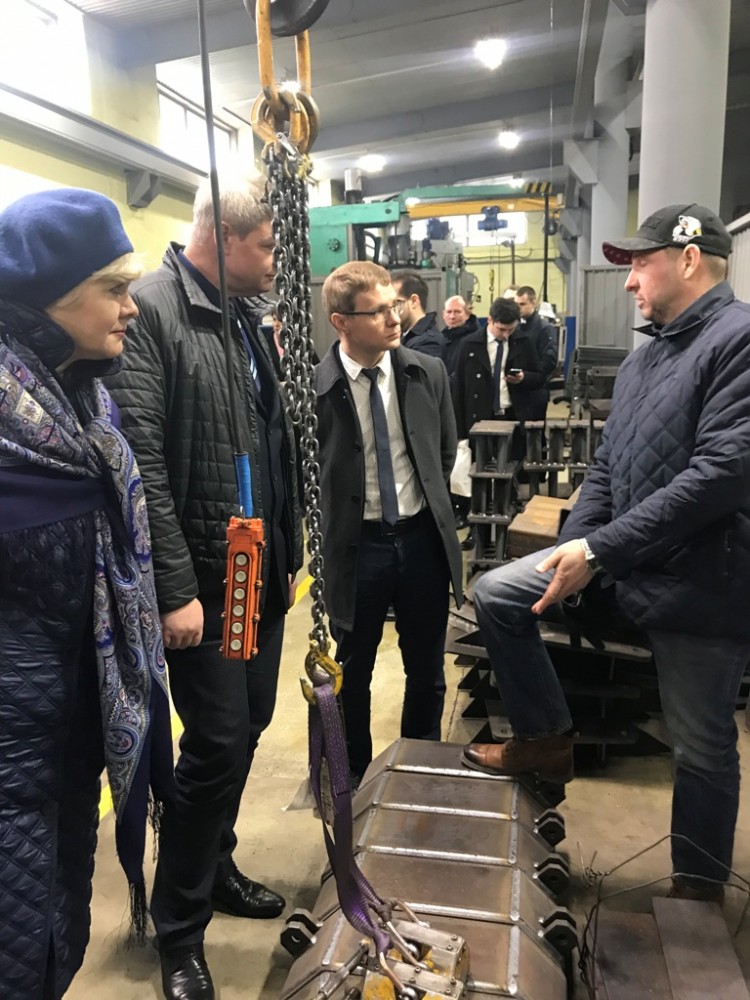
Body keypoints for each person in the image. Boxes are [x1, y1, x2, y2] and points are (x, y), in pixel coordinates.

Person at [462, 202, 750, 904]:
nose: (629, 282)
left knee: (701, 746)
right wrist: (576, 547)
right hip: (626, 563)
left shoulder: (738, 341)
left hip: (700, 585)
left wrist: (599, 551)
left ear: (689, 259)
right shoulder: (647, 356)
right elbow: (607, 465)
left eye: (641, 264)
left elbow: (720, 474)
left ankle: (698, 892)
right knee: (499, 593)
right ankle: (546, 738)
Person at [107, 175, 303, 1000]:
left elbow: (270, 441)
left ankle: (214, 863)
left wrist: (290, 553)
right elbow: (141, 462)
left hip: (258, 574)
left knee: (248, 728)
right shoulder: (155, 311)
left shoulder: (242, 317)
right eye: (266, 246)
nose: (276, 261)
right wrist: (174, 589)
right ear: (222, 238)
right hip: (206, 581)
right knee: (217, 742)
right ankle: (178, 929)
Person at [0, 188, 173, 1000]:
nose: (132, 307)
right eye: (114, 288)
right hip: (10, 755)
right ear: (49, 295)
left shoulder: (83, 403)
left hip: (68, 745)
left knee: (56, 938)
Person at [314, 261, 463, 785]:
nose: (394, 318)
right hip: (358, 549)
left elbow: (444, 452)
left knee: (427, 671)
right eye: (377, 311)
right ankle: (354, 778)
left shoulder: (428, 373)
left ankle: (421, 770)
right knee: (353, 674)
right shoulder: (316, 390)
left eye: (394, 305)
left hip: (421, 543)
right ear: (341, 322)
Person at [452, 296, 543, 437]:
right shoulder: (469, 345)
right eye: (501, 329)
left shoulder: (524, 342)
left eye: (511, 330)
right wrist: (460, 434)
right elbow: (458, 389)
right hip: (479, 419)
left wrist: (523, 378)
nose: (506, 335)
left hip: (513, 416)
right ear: (490, 320)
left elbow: (539, 378)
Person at [514, 286, 558, 421]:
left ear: (533, 303)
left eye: (522, 304)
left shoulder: (545, 329)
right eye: (516, 304)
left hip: (536, 393)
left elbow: (549, 361)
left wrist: (530, 377)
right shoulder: (516, 327)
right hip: (518, 391)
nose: (518, 308)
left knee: (534, 430)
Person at [390, 269, 446, 358]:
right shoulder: (404, 336)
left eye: (395, 304)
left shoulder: (429, 343)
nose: (391, 311)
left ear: (414, 301)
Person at [441, 294, 481, 378]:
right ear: (443, 315)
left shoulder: (474, 340)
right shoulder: (440, 337)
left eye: (457, 312)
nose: (452, 316)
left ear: (467, 314)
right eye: (449, 312)